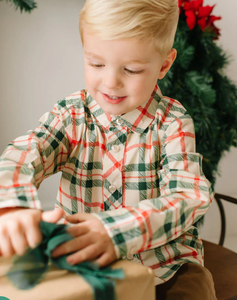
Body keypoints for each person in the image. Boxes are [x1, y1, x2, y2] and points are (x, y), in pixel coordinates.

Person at [0, 0, 217, 299]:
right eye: (96, 64)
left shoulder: (172, 123)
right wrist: (11, 204)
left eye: (131, 69)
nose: (111, 81)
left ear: (164, 65)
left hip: (166, 269)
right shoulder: (71, 114)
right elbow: (26, 151)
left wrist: (116, 232)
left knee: (194, 291)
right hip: (85, 269)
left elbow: (190, 196)